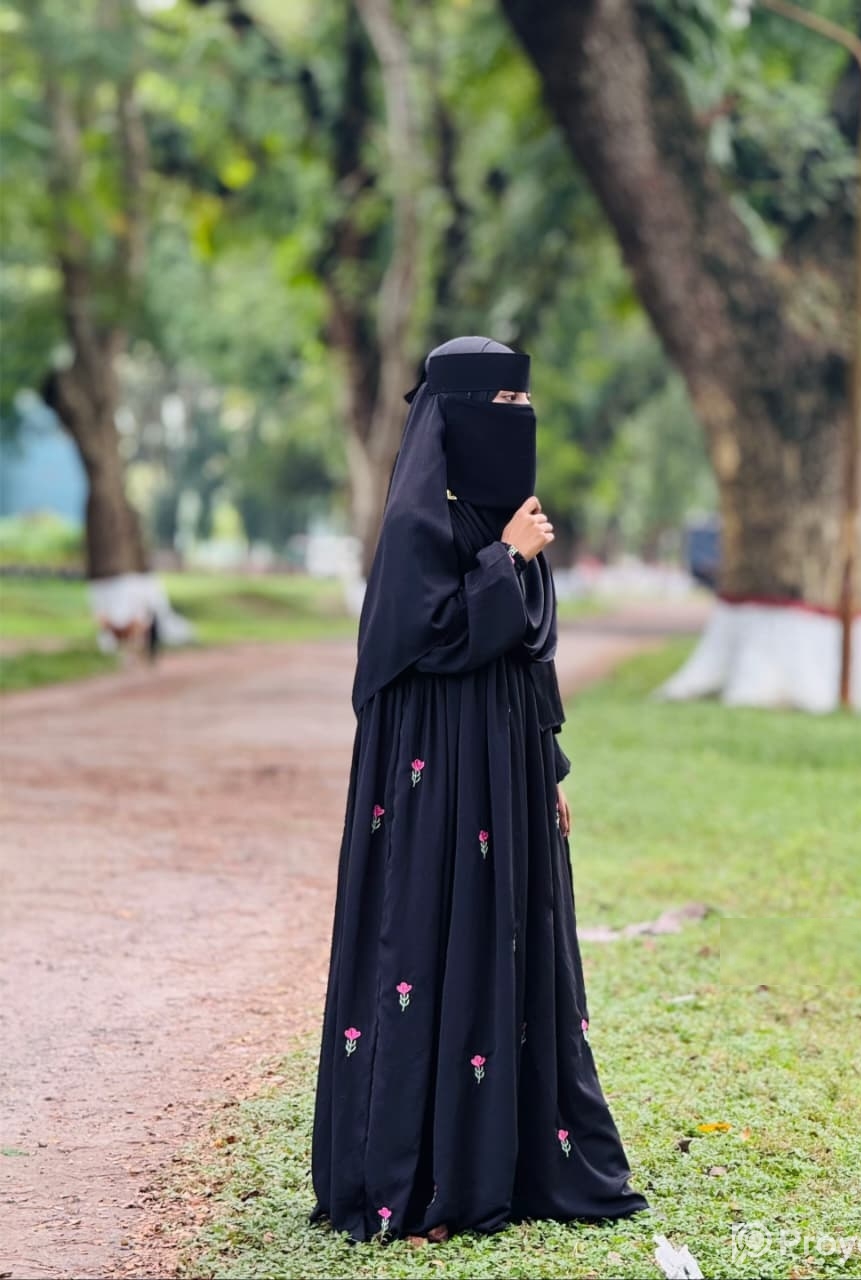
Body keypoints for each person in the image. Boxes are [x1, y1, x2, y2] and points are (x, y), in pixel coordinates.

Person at [309, 336, 649, 1243]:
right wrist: (504, 556)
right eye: (499, 402)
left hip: (507, 773)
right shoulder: (417, 526)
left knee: (510, 939)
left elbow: (528, 659)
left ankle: (515, 1158)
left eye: (519, 402)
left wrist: (553, 771)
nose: (514, 420)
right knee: (430, 943)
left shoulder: (506, 517)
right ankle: (417, 1177)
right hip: (435, 784)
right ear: (454, 413)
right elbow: (431, 640)